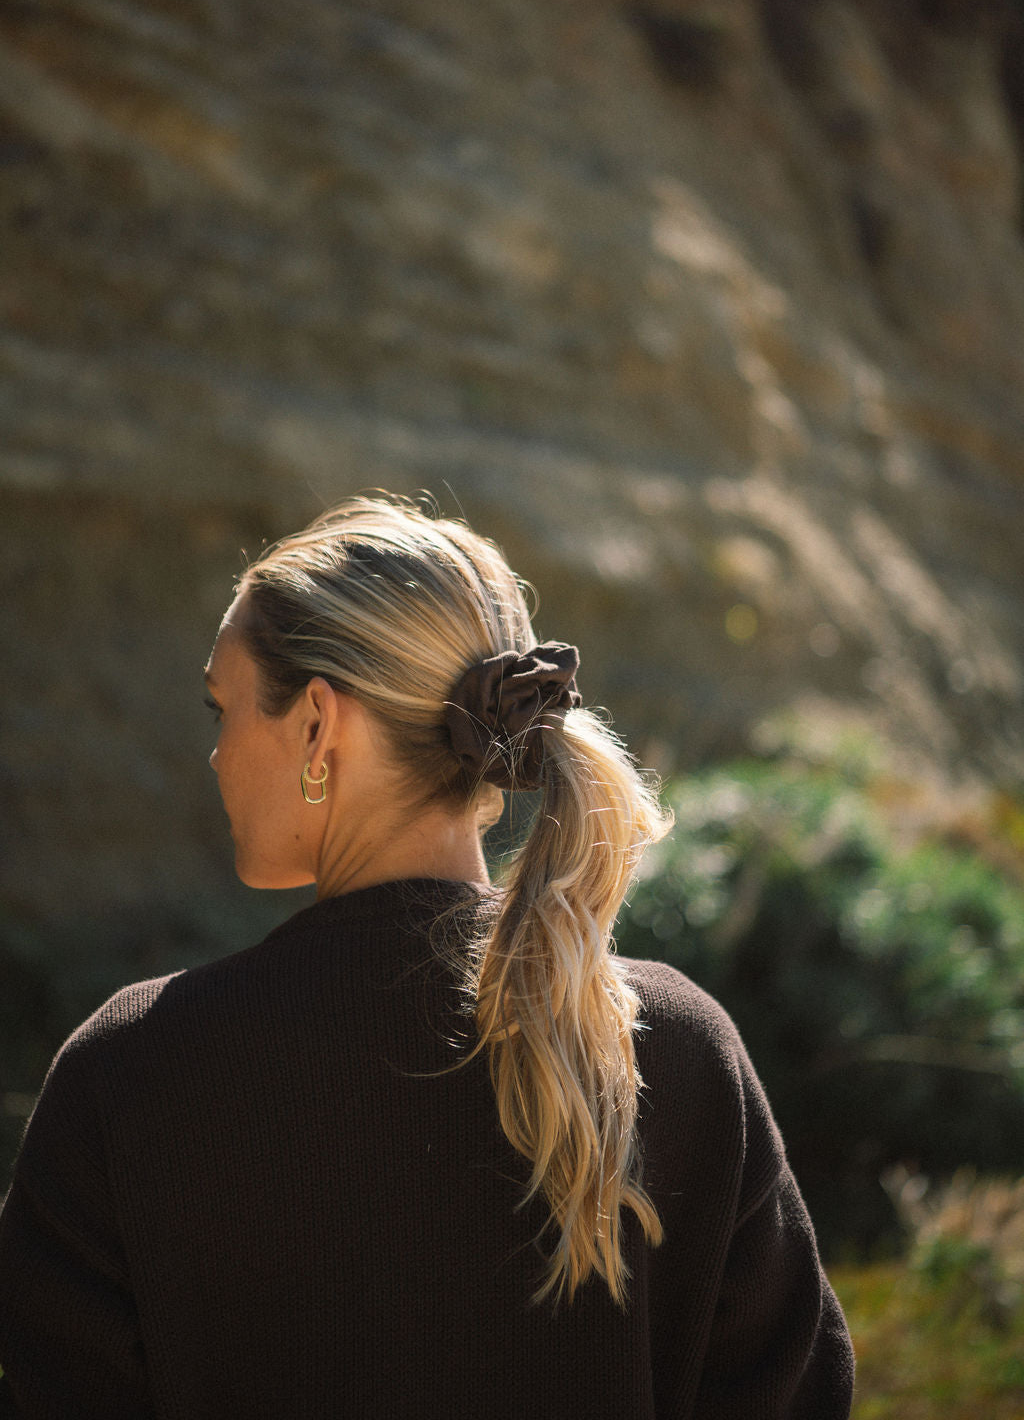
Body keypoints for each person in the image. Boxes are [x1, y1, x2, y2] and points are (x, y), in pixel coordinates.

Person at [0, 495, 854, 1419]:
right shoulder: (679, 1050)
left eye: (224, 706)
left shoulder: (130, 1075)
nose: (215, 755)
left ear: (319, 726)